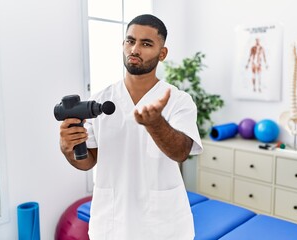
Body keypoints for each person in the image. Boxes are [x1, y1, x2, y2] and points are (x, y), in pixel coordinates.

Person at [59, 14, 203, 239]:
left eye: (146, 44)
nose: (135, 49)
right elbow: (88, 162)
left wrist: (156, 124)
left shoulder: (178, 100)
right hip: (112, 220)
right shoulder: (100, 99)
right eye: (130, 41)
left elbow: (181, 152)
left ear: (162, 53)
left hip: (161, 223)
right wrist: (68, 148)